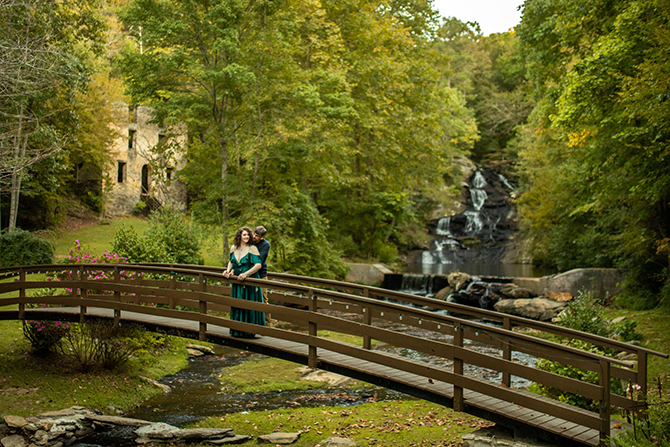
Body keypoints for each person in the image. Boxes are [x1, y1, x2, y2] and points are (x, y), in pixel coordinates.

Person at [223, 226, 266, 338]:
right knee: (238, 303)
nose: (247, 237)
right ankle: (238, 330)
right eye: (244, 235)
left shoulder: (252, 248)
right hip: (237, 281)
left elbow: (258, 265)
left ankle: (250, 331)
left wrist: (246, 274)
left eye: (248, 235)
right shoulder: (233, 248)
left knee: (249, 304)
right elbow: (231, 261)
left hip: (249, 281)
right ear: (239, 236)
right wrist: (227, 271)